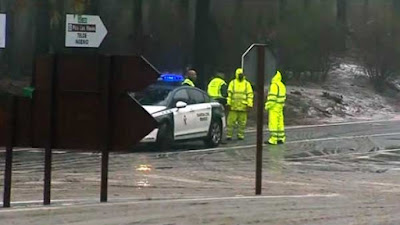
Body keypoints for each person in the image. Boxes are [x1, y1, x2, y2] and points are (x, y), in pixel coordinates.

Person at [226, 68, 254, 140]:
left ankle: (240, 135)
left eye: (241, 74)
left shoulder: (247, 84)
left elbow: (250, 95)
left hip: (243, 107)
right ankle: (229, 135)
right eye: (239, 74)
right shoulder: (233, 83)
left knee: (242, 123)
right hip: (233, 106)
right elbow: (229, 94)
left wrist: (249, 104)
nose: (241, 76)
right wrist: (228, 103)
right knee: (230, 122)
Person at [265, 71, 287, 145]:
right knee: (280, 123)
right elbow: (284, 97)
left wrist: (267, 106)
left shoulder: (274, 85)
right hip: (280, 107)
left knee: (273, 123)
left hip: (274, 107)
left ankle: (273, 139)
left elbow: (272, 98)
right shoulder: (282, 85)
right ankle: (280, 138)